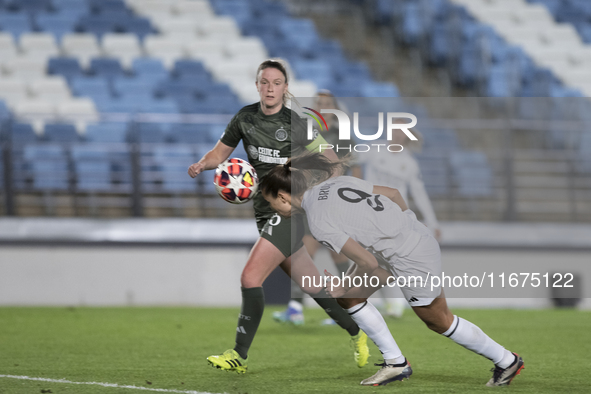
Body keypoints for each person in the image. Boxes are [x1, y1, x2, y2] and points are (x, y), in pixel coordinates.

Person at [259, 153, 524, 387]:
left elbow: (368, 263)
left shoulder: (317, 222)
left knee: (439, 320)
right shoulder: (335, 183)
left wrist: (344, 282)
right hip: (407, 240)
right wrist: (404, 224)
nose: (274, 208)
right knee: (349, 298)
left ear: (283, 196)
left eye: (271, 202)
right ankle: (395, 363)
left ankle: (507, 360)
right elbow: (395, 194)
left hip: (409, 256)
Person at [187, 59, 369, 374]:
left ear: (285, 89)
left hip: (289, 212)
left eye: (276, 83)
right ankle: (357, 332)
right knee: (312, 284)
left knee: (250, 277)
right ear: (257, 85)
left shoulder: (298, 123)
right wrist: (201, 164)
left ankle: (238, 356)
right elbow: (220, 153)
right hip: (262, 211)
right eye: (265, 82)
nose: (270, 88)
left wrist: (313, 191)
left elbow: (334, 162)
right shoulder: (244, 118)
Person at [273, 90, 362, 325]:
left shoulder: (343, 138)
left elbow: (356, 173)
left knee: (338, 255)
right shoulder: (306, 134)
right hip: (310, 203)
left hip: (334, 204)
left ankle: (348, 307)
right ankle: (296, 309)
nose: (322, 107)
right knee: (303, 255)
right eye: (318, 103)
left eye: (326, 103)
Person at [359, 126, 442, 318]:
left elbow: (419, 194)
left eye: (400, 130)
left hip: (393, 217)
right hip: (369, 214)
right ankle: (390, 303)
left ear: (407, 135)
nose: (396, 134)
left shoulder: (409, 163)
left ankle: (396, 303)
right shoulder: (374, 150)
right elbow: (349, 158)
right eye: (394, 129)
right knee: (371, 260)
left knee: (385, 259)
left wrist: (433, 222)